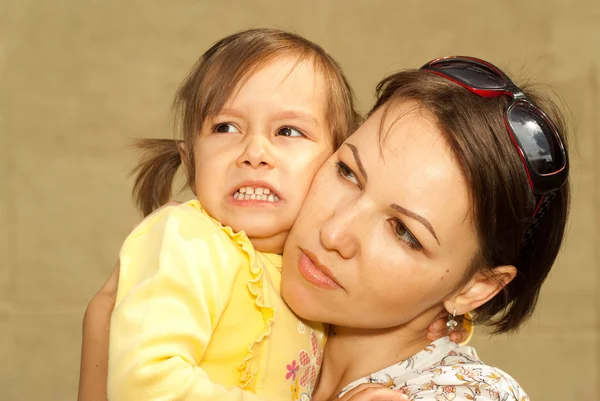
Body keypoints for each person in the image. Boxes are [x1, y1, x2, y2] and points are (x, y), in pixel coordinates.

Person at [279, 56, 570, 401]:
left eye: (404, 232)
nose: (333, 233)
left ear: (475, 288)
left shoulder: (473, 394)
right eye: (348, 172)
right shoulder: (238, 292)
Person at [104, 27, 360, 401]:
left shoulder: (310, 275)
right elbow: (145, 382)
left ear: (334, 168)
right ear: (190, 163)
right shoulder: (187, 239)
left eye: (288, 131)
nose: (254, 151)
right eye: (225, 127)